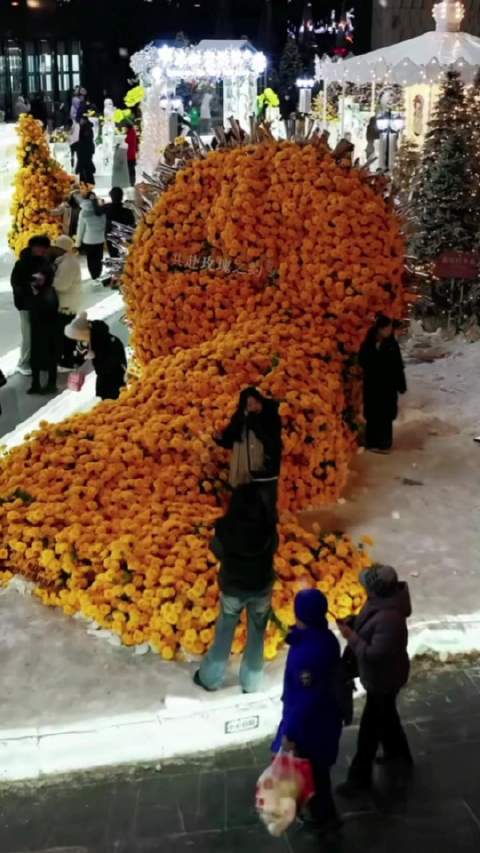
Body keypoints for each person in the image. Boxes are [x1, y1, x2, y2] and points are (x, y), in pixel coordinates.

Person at [194, 483, 278, 694]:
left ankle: (210, 678)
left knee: (225, 630)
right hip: (261, 588)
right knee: (257, 632)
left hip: (233, 588)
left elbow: (217, 549)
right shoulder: (268, 527)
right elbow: (274, 548)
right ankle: (251, 681)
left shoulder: (225, 527)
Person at [337, 564, 413, 797]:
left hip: (384, 679)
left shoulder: (390, 618)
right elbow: (369, 622)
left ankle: (359, 779)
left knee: (369, 731)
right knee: (388, 716)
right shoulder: (382, 603)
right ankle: (398, 755)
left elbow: (374, 654)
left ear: (377, 591)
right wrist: (354, 622)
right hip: (386, 677)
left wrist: (351, 637)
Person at [272, 589, 343, 834]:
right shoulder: (323, 638)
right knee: (315, 771)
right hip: (321, 720)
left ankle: (324, 817)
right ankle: (321, 813)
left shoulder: (310, 653)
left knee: (314, 772)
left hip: (312, 726)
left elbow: (306, 700)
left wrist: (290, 733)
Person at [215, 387, 282, 523]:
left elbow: (271, 441)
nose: (252, 407)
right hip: (242, 465)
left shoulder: (270, 416)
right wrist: (220, 438)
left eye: (254, 403)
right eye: (248, 405)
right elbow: (230, 440)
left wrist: (253, 420)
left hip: (262, 467)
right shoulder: (240, 417)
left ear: (260, 401)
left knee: (262, 501)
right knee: (242, 500)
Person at [359, 314, 407, 453]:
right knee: (373, 413)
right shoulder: (368, 343)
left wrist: (400, 384)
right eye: (387, 328)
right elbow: (363, 360)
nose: (389, 331)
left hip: (388, 385)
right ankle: (372, 442)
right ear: (379, 329)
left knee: (386, 415)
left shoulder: (392, 345)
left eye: (390, 328)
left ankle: (385, 443)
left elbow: (398, 366)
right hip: (373, 384)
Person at [11, 235, 52, 376]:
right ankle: (22, 363)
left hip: (40, 304)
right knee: (28, 335)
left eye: (44, 249)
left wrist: (44, 283)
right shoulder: (21, 264)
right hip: (26, 305)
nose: (43, 251)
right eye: (40, 248)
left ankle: (37, 361)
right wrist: (32, 286)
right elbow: (16, 285)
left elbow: (49, 278)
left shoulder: (44, 261)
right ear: (33, 248)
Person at [65, 312, 127, 400]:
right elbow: (82, 358)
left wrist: (96, 355)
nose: (78, 340)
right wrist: (81, 369)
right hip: (103, 380)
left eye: (78, 337)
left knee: (115, 403)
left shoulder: (110, 342)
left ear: (84, 333)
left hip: (116, 380)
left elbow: (115, 363)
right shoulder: (90, 340)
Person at [52, 236, 82, 370]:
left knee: (65, 335)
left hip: (66, 305)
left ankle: (67, 361)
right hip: (67, 303)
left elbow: (61, 285)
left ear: (61, 249)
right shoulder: (65, 261)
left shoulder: (68, 264)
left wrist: (47, 282)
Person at [29, 267, 59, 395]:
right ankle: (35, 384)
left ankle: (51, 384)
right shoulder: (39, 291)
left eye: (38, 279)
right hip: (37, 330)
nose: (36, 281)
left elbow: (48, 310)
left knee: (50, 358)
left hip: (48, 331)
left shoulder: (49, 292)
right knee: (35, 358)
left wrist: (35, 296)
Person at [76, 192, 106, 282]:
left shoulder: (83, 212)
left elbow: (80, 229)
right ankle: (98, 274)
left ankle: (94, 276)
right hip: (100, 239)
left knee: (91, 260)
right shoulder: (100, 210)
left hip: (88, 240)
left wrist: (78, 242)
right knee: (99, 259)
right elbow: (104, 225)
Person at [103, 187, 135, 257]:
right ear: (122, 196)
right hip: (125, 240)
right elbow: (132, 226)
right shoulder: (128, 211)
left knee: (114, 257)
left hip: (111, 238)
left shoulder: (106, 210)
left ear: (111, 196)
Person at [76, 118, 96, 185]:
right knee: (84, 167)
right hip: (85, 150)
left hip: (84, 150)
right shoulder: (86, 128)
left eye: (81, 120)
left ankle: (87, 182)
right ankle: (85, 182)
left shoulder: (86, 128)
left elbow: (84, 140)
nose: (80, 121)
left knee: (85, 167)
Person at [125, 122, 138, 187]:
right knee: (130, 169)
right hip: (130, 154)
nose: (125, 129)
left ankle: (132, 182)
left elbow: (127, 141)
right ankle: (131, 182)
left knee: (131, 169)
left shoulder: (131, 133)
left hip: (130, 155)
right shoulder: (132, 132)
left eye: (125, 128)